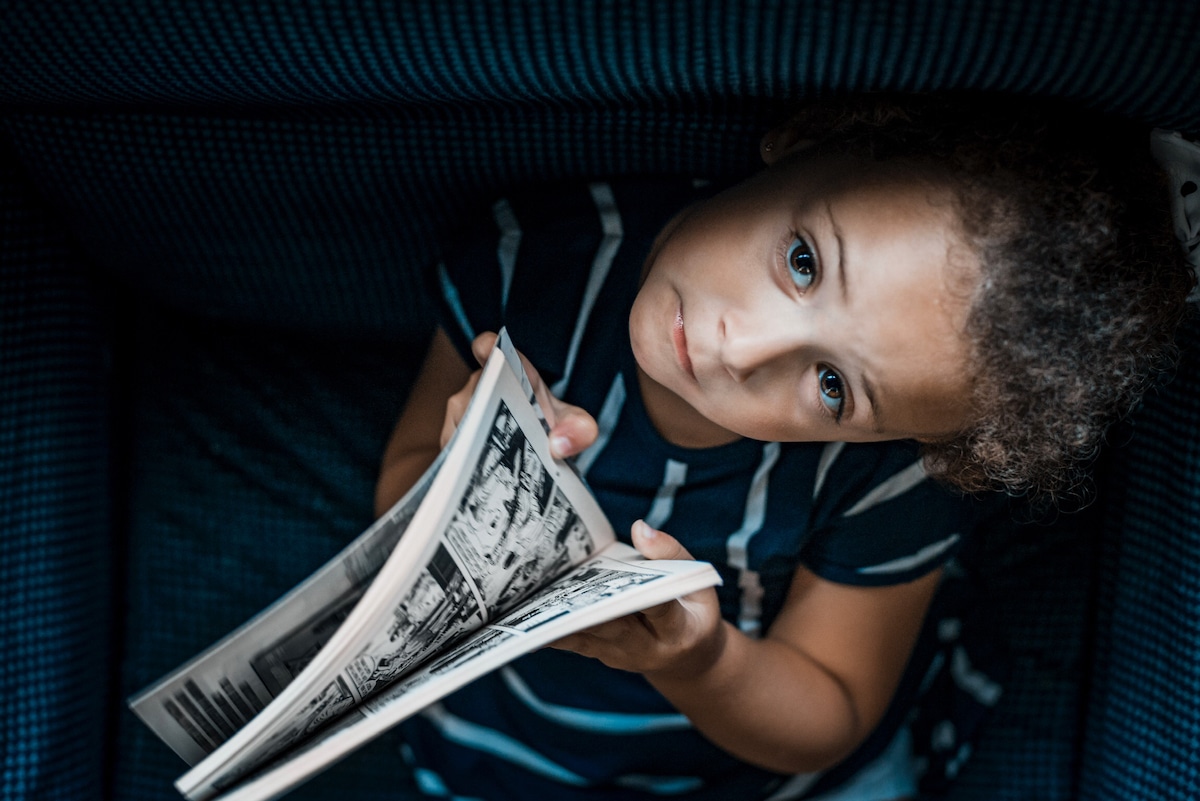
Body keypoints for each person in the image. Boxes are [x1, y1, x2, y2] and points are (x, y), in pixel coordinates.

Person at [373, 94, 1193, 801]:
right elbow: (398, 500)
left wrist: (702, 660)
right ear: (811, 146)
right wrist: (477, 469)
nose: (744, 348)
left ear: (905, 435)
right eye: (802, 262)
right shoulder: (531, 265)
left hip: (753, 768)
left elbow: (829, 705)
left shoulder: (886, 475)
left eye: (833, 386)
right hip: (501, 735)